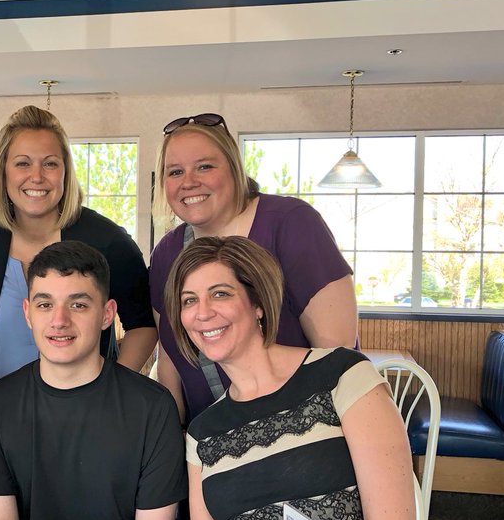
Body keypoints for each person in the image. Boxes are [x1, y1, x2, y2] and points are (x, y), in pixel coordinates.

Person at [164, 235, 416, 520]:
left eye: (220, 293)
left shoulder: (342, 375)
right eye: (189, 300)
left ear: (258, 304)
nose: (202, 312)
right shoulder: (202, 433)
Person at [0, 241, 186, 520]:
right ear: (27, 312)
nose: (59, 321)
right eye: (45, 304)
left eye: (78, 304)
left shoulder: (153, 407)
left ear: (106, 314)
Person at [149, 113, 357, 424]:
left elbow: (337, 358)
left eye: (204, 166)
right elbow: (169, 362)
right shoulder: (166, 253)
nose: (189, 182)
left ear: (234, 167)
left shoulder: (291, 223)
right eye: (175, 171)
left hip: (302, 436)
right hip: (209, 446)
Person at [0, 105, 155, 386]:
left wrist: (111, 389)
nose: (37, 176)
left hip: (85, 415)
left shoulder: (107, 240)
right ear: (3, 170)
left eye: (50, 163)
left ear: (65, 171)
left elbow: (142, 325)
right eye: (23, 163)